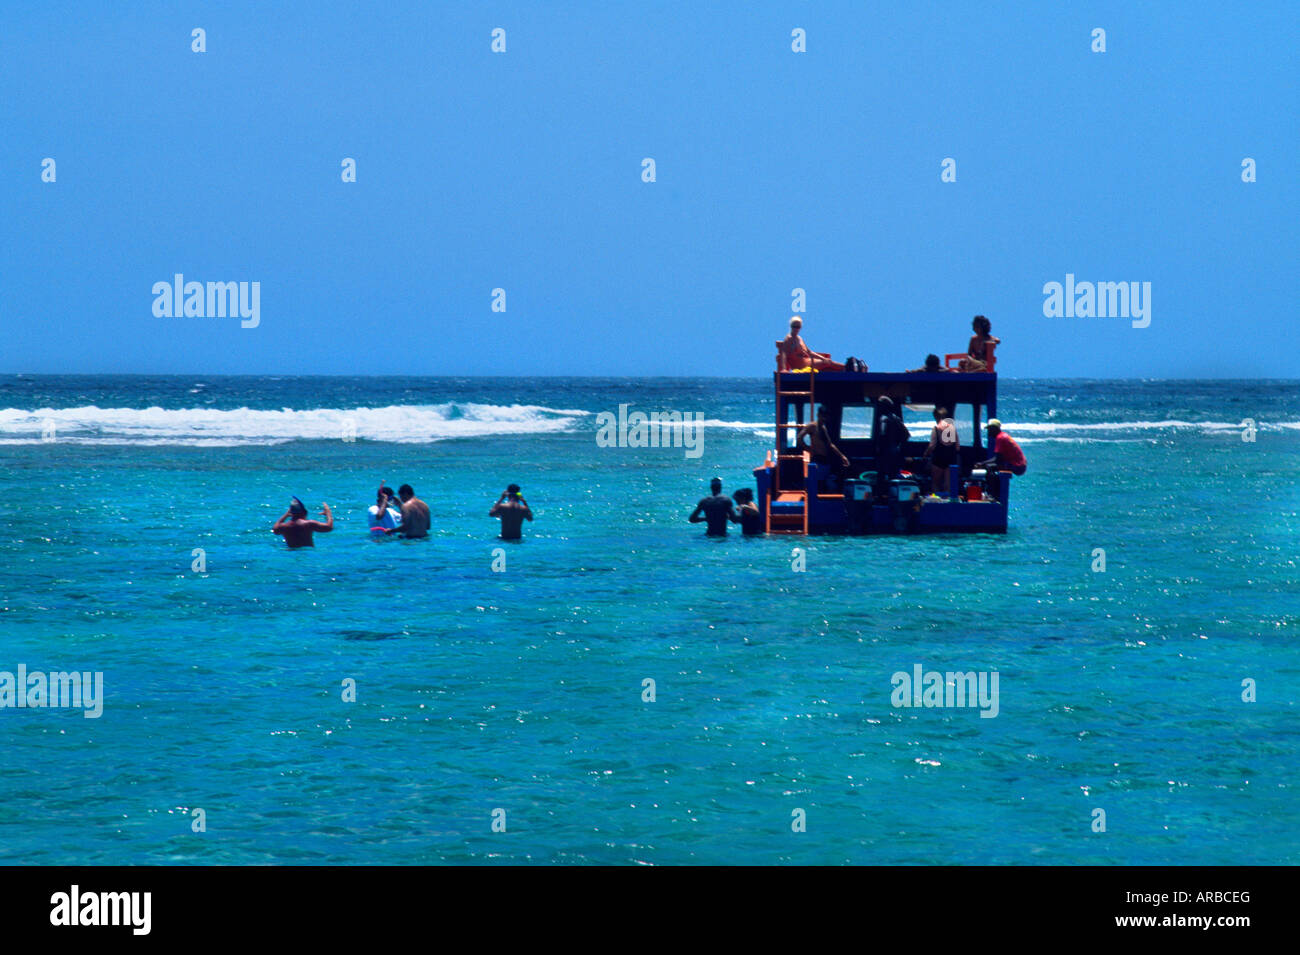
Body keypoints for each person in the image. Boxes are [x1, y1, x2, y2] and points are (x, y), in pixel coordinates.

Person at [798, 405, 852, 484]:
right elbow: (799, 438)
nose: (824, 419)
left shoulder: (823, 427)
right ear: (818, 415)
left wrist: (842, 456)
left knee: (825, 482)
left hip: (825, 460)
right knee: (816, 483)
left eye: (825, 417)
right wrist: (808, 449)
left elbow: (830, 444)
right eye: (822, 416)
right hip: (816, 459)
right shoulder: (812, 426)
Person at [780, 316, 845, 372]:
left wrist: (822, 358)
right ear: (791, 327)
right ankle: (848, 368)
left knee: (828, 365)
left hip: (808, 361)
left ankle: (848, 372)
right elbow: (784, 354)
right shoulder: (788, 339)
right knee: (828, 363)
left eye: (798, 327)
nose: (796, 329)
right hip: (801, 366)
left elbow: (809, 352)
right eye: (794, 326)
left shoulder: (799, 338)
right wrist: (784, 369)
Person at [873, 396, 910, 492]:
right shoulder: (897, 418)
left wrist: (878, 448)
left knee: (881, 475)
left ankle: (880, 497)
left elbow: (882, 434)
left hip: (885, 451)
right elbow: (906, 435)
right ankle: (894, 496)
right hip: (895, 451)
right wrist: (898, 446)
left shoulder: (883, 419)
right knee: (893, 476)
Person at [925, 406, 960, 495]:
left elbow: (932, 446)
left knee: (935, 484)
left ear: (936, 416)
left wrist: (925, 454)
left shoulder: (936, 428)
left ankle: (937, 503)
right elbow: (957, 447)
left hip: (938, 460)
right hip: (951, 460)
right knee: (948, 486)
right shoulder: (952, 428)